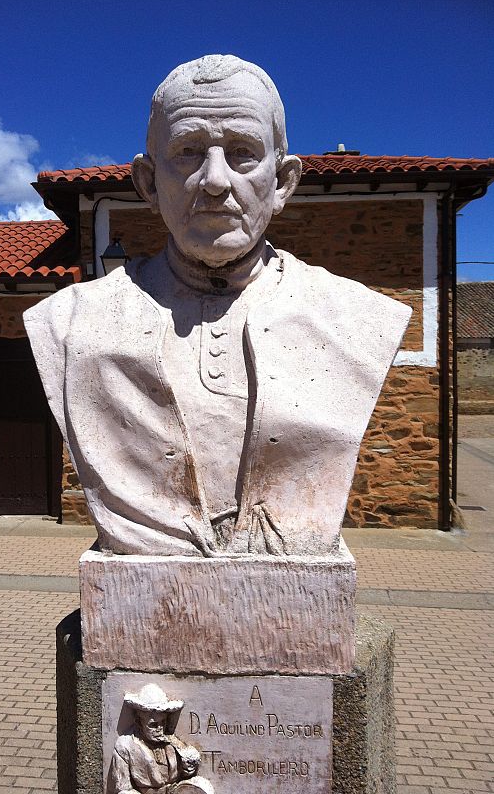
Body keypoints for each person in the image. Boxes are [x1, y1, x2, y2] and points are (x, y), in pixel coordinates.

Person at [24, 55, 410, 557]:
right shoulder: (72, 322)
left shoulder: (356, 319)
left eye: (243, 153)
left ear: (283, 183)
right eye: (187, 152)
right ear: (148, 183)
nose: (215, 180)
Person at [109, 684, 213, 794]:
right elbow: (122, 788)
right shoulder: (125, 746)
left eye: (163, 722)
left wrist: (187, 768)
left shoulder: (170, 741)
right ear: (139, 722)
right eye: (153, 725)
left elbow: (181, 774)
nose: (160, 729)